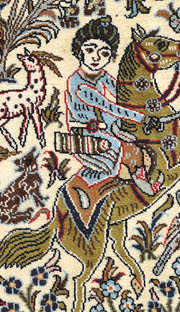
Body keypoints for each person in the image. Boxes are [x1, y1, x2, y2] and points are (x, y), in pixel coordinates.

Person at [61, 16, 159, 194]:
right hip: (87, 136)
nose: (96, 57)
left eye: (104, 53)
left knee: (137, 138)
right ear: (79, 49)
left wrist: (145, 104)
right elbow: (110, 107)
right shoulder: (79, 85)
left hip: (108, 128)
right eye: (90, 49)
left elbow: (123, 95)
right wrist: (143, 118)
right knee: (129, 150)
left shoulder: (102, 75)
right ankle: (140, 182)